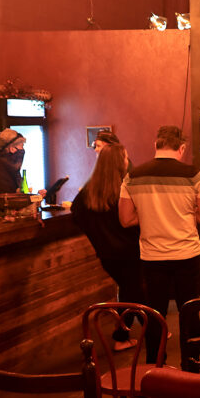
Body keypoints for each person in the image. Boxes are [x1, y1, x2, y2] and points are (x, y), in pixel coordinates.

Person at [119, 125, 200, 362]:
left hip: (152, 256)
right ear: (181, 147)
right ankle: (191, 362)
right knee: (189, 309)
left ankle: (154, 363)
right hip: (187, 253)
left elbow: (126, 219)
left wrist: (150, 213)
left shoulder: (133, 176)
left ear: (156, 145)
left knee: (154, 312)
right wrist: (184, 213)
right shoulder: (194, 175)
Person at [71, 143, 143, 351]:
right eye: (126, 157)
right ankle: (124, 336)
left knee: (131, 292)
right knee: (133, 292)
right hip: (131, 252)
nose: (128, 161)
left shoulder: (87, 193)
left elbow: (77, 215)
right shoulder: (125, 189)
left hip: (107, 255)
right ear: (120, 162)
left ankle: (143, 329)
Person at [0, 129, 45, 198]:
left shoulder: (8, 170)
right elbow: (9, 204)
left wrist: (35, 198)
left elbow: (18, 196)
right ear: (12, 148)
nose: (23, 150)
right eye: (22, 146)